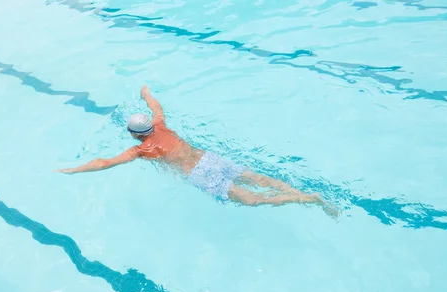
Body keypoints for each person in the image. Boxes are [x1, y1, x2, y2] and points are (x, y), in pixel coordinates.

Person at [57, 85, 337, 217]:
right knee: (259, 179)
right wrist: (145, 93)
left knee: (251, 200)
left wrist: (73, 169)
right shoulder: (161, 126)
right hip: (208, 157)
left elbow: (104, 162)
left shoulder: (140, 151)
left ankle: (307, 200)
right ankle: (300, 193)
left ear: (133, 134)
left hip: (199, 172)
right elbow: (156, 107)